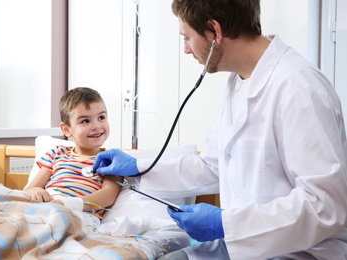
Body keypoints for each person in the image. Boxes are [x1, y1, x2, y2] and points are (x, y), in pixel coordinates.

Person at [92, 0, 347, 259]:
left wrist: (226, 224)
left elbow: (325, 205)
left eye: (187, 37)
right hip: (245, 245)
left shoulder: (298, 87)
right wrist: (139, 166)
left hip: (301, 251)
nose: (186, 50)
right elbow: (212, 165)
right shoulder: (237, 83)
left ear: (215, 32)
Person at [25, 87, 122, 217]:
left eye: (101, 117)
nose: (96, 126)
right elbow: (31, 188)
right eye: (85, 121)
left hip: (79, 214)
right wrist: (36, 191)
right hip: (47, 207)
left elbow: (109, 195)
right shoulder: (57, 153)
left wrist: (70, 204)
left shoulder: (111, 160)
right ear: (66, 129)